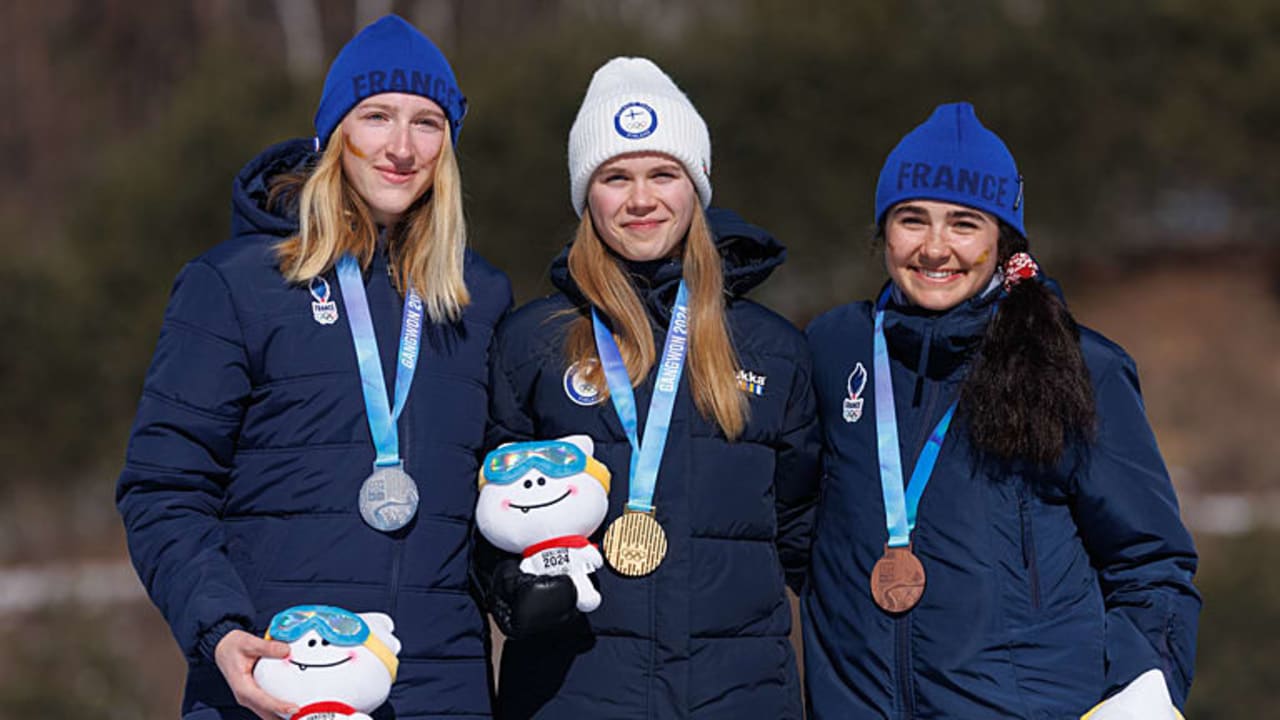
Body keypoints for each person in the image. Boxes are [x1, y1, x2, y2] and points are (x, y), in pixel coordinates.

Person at [116, 15, 510, 719]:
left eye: (427, 123)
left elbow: (488, 504)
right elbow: (163, 487)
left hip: (440, 689)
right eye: (377, 116)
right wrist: (220, 627)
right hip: (278, 675)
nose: (401, 147)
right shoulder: (236, 284)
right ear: (334, 135)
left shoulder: (477, 298)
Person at [802, 102, 1200, 719]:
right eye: (912, 220)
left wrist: (1140, 691)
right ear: (883, 230)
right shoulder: (834, 349)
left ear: (1002, 238)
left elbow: (1149, 561)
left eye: (964, 224)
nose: (935, 248)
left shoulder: (1077, 365)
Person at [475, 57, 820, 719]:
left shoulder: (775, 350)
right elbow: (480, 522)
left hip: (739, 697)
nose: (641, 200)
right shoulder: (532, 342)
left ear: (697, 185)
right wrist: (507, 587)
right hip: (573, 694)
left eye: (664, 173)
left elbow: (808, 537)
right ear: (586, 197)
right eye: (615, 178)